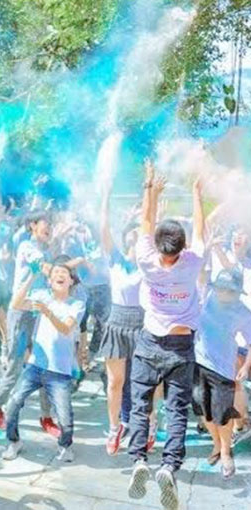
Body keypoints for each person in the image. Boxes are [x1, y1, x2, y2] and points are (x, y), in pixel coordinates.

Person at [127, 165, 206, 510]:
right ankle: (169, 466)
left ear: (159, 245)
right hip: (181, 345)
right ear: (182, 247)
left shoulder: (146, 260)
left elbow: (146, 222)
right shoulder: (192, 262)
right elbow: (201, 229)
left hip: (149, 341)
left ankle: (138, 460)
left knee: (141, 404)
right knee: (176, 409)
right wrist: (197, 194)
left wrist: (151, 189)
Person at [2, 256, 85, 463]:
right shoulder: (41, 295)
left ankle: (65, 446)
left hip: (60, 371)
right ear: (49, 280)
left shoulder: (77, 304)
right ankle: (14, 441)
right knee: (13, 403)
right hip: (35, 366)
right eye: (55, 272)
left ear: (71, 281)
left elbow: (66, 328)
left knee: (65, 418)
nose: (59, 275)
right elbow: (16, 303)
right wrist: (32, 276)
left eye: (64, 273)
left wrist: (47, 312)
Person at [0, 210, 59, 437]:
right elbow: (42, 267)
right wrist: (57, 272)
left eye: (51, 224)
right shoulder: (27, 247)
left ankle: (46, 417)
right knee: (15, 365)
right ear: (32, 226)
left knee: (45, 364)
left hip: (40, 314)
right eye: (46, 223)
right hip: (20, 314)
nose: (49, 228)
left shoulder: (47, 249)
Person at [192, 269, 251, 479]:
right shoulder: (207, 296)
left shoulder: (243, 313)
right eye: (221, 288)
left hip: (224, 369)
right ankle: (216, 443)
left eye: (229, 290)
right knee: (202, 408)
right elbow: (200, 274)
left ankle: (226, 452)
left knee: (223, 413)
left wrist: (245, 367)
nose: (223, 293)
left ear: (236, 292)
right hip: (198, 361)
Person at [99, 182, 143, 455]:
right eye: (131, 233)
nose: (135, 236)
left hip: (141, 325)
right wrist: (105, 197)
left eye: (140, 233)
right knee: (116, 382)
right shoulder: (115, 259)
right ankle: (114, 428)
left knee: (142, 383)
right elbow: (104, 229)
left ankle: (147, 426)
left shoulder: (149, 263)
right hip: (117, 322)